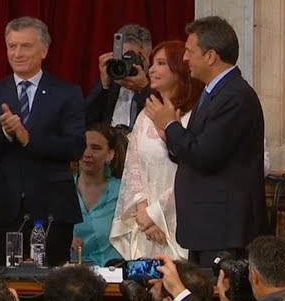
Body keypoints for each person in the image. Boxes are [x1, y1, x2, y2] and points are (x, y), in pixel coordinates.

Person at [145, 16, 267, 268]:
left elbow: (205, 155)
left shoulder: (235, 96)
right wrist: (169, 133)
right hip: (206, 226)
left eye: (190, 51)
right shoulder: (214, 93)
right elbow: (192, 150)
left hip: (223, 227)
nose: (185, 58)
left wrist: (171, 125)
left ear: (211, 56)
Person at [0, 16, 85, 266]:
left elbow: (75, 147)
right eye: (12, 46)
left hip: (51, 208)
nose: (17, 53)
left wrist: (28, 138)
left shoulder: (67, 92)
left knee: (50, 282)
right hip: (0, 208)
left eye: (25, 46)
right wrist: (6, 134)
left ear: (44, 50)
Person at [110, 40, 204, 261]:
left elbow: (190, 170)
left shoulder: (195, 115)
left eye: (161, 63)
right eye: (152, 63)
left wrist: (156, 214)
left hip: (179, 220)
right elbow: (133, 167)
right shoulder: (146, 115)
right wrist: (143, 212)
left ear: (180, 69)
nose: (151, 69)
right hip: (145, 226)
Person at [70, 123, 126, 266]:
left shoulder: (123, 190)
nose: (87, 154)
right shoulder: (63, 188)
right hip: (72, 271)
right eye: (83, 147)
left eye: (95, 148)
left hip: (113, 270)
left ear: (110, 154)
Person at [85, 24, 152, 132]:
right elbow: (84, 120)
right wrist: (104, 85)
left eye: (133, 58)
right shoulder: (110, 83)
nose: (128, 64)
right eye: (123, 58)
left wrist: (144, 89)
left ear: (148, 58)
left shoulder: (156, 86)